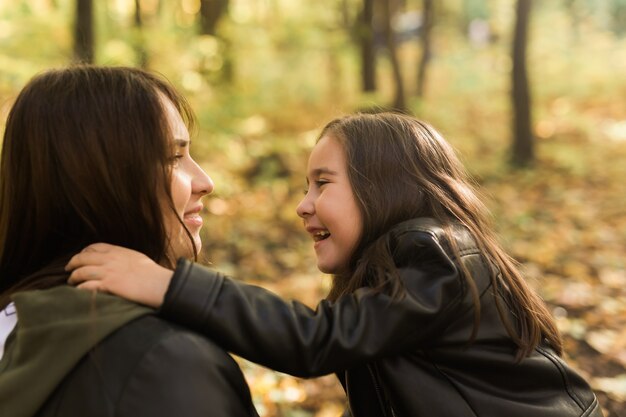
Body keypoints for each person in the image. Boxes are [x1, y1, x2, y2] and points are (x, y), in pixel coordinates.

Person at [67, 113, 603, 417]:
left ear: (385, 187)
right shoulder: (398, 283)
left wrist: (170, 286)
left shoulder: (435, 255)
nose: (303, 204)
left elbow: (315, 342)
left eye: (323, 183)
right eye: (306, 186)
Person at [0, 66, 259, 417]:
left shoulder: (16, 327)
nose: (205, 181)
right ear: (100, 181)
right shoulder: (167, 364)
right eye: (174, 157)